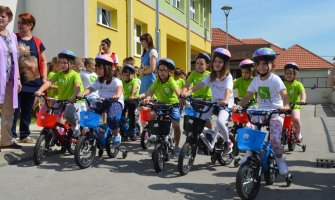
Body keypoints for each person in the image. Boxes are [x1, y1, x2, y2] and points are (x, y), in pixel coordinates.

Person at [231, 47, 290, 175]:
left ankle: (280, 160)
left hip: (276, 112)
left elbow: (284, 95)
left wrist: (285, 106)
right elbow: (247, 96)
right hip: (261, 111)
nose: (261, 67)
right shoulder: (256, 80)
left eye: (265, 63)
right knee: (248, 128)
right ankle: (248, 154)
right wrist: (238, 105)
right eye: (259, 64)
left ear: (272, 65)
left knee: (274, 140)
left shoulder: (275, 79)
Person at [182, 48, 234, 154]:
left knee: (219, 122)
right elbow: (199, 85)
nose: (217, 64)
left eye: (220, 62)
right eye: (215, 61)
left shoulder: (228, 76)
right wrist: (188, 92)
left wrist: (225, 100)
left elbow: (228, 90)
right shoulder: (211, 76)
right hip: (213, 103)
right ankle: (209, 138)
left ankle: (228, 142)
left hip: (225, 104)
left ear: (225, 64)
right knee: (199, 120)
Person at [12, 12, 48, 143]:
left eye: (23, 23)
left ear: (30, 25)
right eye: (18, 22)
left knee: (27, 110)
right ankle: (11, 135)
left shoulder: (37, 41)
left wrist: (44, 77)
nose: (19, 25)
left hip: (33, 82)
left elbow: (44, 61)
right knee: (14, 109)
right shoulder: (13, 38)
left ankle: (24, 135)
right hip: (16, 81)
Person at [35, 50, 85, 137]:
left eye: (65, 63)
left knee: (68, 115)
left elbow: (77, 86)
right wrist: (39, 91)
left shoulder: (75, 75)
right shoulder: (58, 74)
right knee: (53, 115)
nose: (62, 65)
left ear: (72, 64)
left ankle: (75, 126)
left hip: (75, 101)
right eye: (60, 62)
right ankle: (59, 133)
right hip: (62, 100)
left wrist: (74, 97)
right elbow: (48, 83)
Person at [140, 58, 182, 156]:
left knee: (176, 124)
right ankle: (153, 134)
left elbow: (177, 91)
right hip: (161, 104)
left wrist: (181, 97)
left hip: (172, 105)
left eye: (164, 70)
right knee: (152, 115)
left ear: (170, 72)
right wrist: (147, 98)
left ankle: (177, 146)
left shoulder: (171, 81)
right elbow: (150, 91)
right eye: (160, 70)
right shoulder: (157, 81)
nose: (161, 72)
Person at [81, 55, 124, 145]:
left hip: (115, 102)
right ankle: (92, 132)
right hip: (103, 101)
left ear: (107, 69)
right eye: (96, 69)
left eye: (100, 68)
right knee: (90, 113)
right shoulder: (98, 80)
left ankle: (116, 134)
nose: (97, 71)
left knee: (111, 118)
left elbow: (119, 89)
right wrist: (83, 93)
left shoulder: (115, 80)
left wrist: (117, 95)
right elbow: (91, 88)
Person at [0, 5, 22, 150]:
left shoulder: (13, 36)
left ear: (9, 19)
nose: (0, 18)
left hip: (10, 80)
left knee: (9, 111)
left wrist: (18, 78)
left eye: (3, 16)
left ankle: (6, 141)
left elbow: (15, 59)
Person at [181, 52, 212, 128]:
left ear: (207, 65)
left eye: (201, 64)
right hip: (195, 100)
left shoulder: (209, 75)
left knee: (206, 119)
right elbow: (187, 85)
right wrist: (183, 93)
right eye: (197, 63)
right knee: (192, 117)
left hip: (206, 100)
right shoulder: (193, 74)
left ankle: (210, 135)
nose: (199, 66)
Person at [283, 62, 306, 143]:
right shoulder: (282, 84)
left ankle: (298, 133)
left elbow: (303, 92)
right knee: (277, 120)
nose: (288, 75)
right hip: (284, 106)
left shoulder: (298, 84)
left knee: (296, 119)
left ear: (295, 75)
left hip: (295, 106)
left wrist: (303, 100)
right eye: (287, 73)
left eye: (291, 73)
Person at [121, 64, 140, 139]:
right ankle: (123, 130)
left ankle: (132, 129)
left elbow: (134, 89)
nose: (126, 77)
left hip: (134, 100)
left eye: (128, 75)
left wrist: (132, 95)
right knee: (121, 113)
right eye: (125, 75)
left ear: (132, 74)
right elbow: (119, 88)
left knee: (131, 111)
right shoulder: (122, 81)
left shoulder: (134, 81)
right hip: (125, 100)